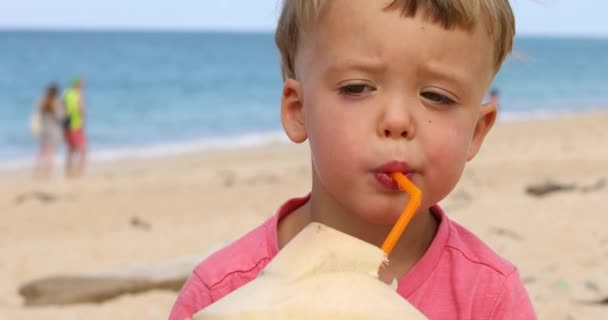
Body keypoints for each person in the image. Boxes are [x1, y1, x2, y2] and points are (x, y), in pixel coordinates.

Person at [171, 0, 535, 319]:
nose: (397, 121)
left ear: (476, 131)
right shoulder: (223, 294)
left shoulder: (488, 297)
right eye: (357, 88)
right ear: (299, 111)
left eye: (437, 96)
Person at [33, 83, 65, 179]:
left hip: (44, 129)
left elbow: (37, 115)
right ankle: (46, 174)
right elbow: (61, 117)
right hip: (54, 130)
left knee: (42, 153)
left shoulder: (42, 101)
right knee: (51, 153)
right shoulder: (56, 103)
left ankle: (37, 173)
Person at [63, 77, 87, 178]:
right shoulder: (78, 95)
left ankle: (69, 173)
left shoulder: (66, 94)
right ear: (77, 84)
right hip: (76, 125)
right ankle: (78, 173)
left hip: (67, 125)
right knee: (83, 150)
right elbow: (81, 109)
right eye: (81, 84)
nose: (82, 86)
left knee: (71, 150)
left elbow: (62, 109)